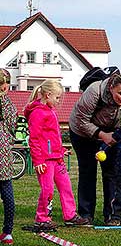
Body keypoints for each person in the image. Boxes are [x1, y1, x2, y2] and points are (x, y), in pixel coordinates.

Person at [69, 73, 121, 225]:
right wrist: (102, 134)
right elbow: (81, 120)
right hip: (82, 133)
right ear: (111, 88)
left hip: (113, 133)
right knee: (88, 171)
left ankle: (112, 215)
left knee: (113, 172)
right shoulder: (95, 91)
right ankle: (86, 214)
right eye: (120, 93)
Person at [24, 79, 87, 232]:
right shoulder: (38, 113)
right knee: (48, 189)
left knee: (66, 186)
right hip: (45, 161)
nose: (59, 101)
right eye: (57, 97)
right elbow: (35, 138)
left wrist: (61, 151)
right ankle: (42, 219)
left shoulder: (50, 110)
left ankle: (70, 215)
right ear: (48, 94)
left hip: (57, 159)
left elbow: (52, 137)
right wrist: (38, 160)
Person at [0, 69, 17, 244]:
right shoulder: (9, 105)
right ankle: (8, 232)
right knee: (7, 195)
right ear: (6, 85)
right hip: (3, 154)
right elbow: (13, 124)